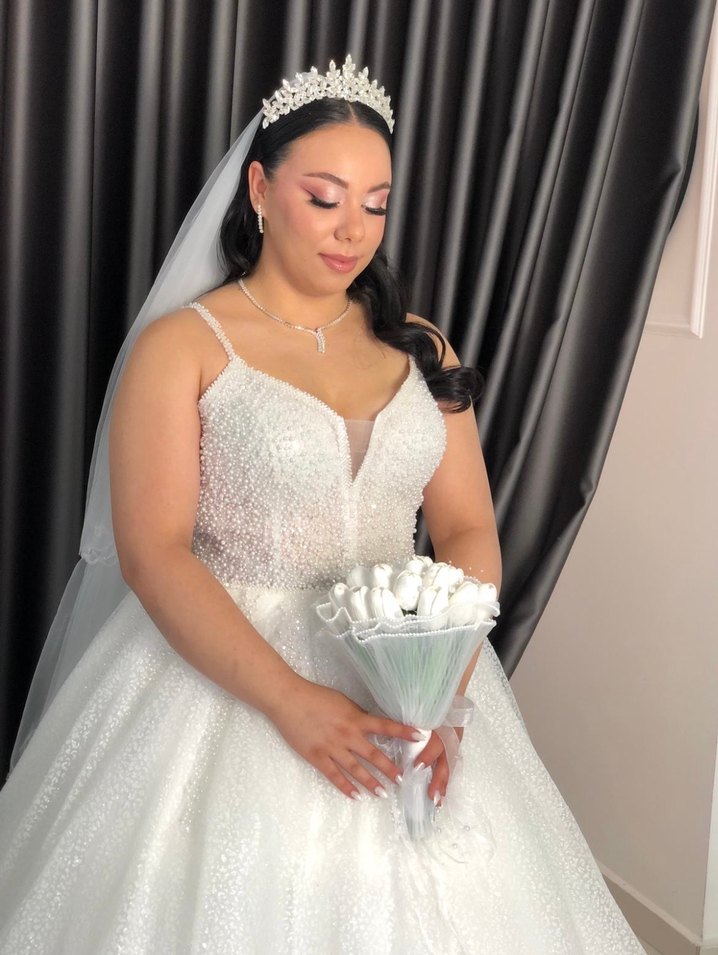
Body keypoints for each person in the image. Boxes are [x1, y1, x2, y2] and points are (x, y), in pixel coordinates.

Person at [0, 56, 644, 953]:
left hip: (407, 665)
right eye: (325, 197)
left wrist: (441, 691)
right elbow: (153, 551)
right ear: (261, 190)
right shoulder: (184, 347)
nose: (353, 231)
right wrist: (293, 702)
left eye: (376, 204)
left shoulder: (419, 348)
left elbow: (467, 528)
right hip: (227, 674)